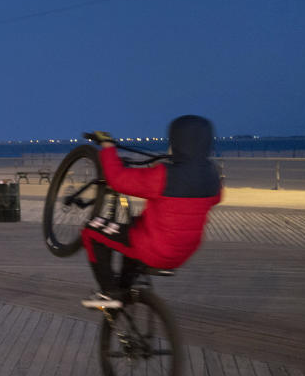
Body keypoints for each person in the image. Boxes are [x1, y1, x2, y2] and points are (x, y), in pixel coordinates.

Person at [80, 116, 222, 308]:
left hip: (155, 249)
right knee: (133, 226)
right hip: (184, 252)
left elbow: (117, 179)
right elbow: (215, 198)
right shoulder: (212, 176)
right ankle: (126, 287)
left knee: (92, 230)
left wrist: (107, 147)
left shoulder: (163, 175)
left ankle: (108, 293)